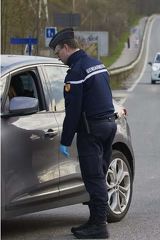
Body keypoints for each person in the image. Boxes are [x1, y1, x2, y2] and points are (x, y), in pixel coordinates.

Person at [49, 28, 117, 239]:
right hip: (108, 125)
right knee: (100, 173)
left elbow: (74, 111)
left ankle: (99, 226)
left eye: (58, 52)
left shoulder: (76, 72)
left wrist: (65, 140)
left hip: (92, 130)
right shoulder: (96, 64)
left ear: (67, 48)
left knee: (93, 177)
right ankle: (95, 219)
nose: (58, 57)